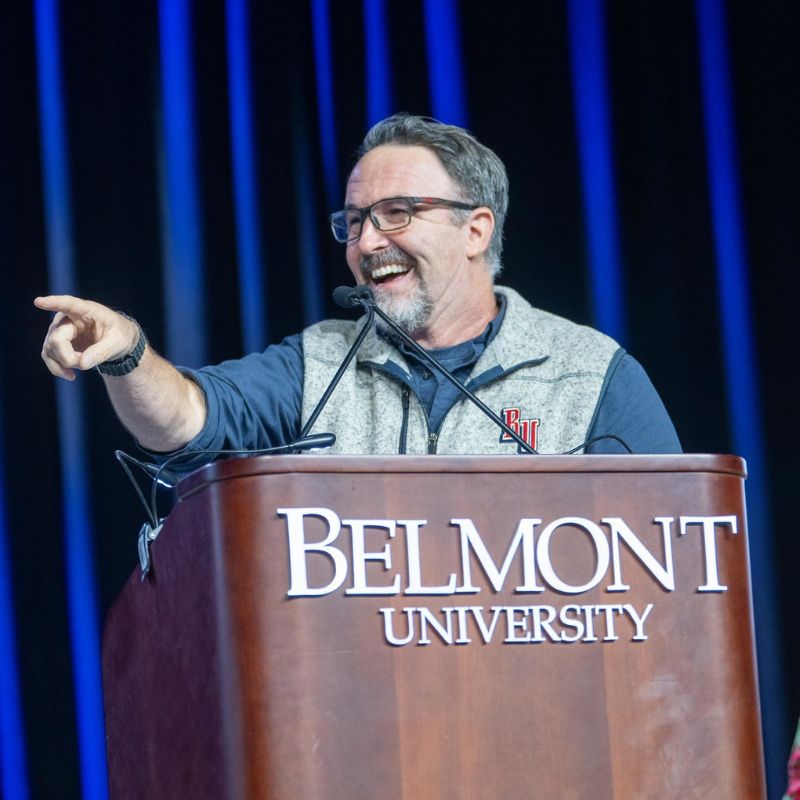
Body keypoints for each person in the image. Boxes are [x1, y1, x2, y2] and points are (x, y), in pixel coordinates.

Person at [35, 113, 680, 467]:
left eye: (397, 212)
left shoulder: (590, 376)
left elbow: (672, 555)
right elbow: (187, 419)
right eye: (355, 221)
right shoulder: (316, 365)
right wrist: (127, 352)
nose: (368, 243)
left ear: (475, 229)